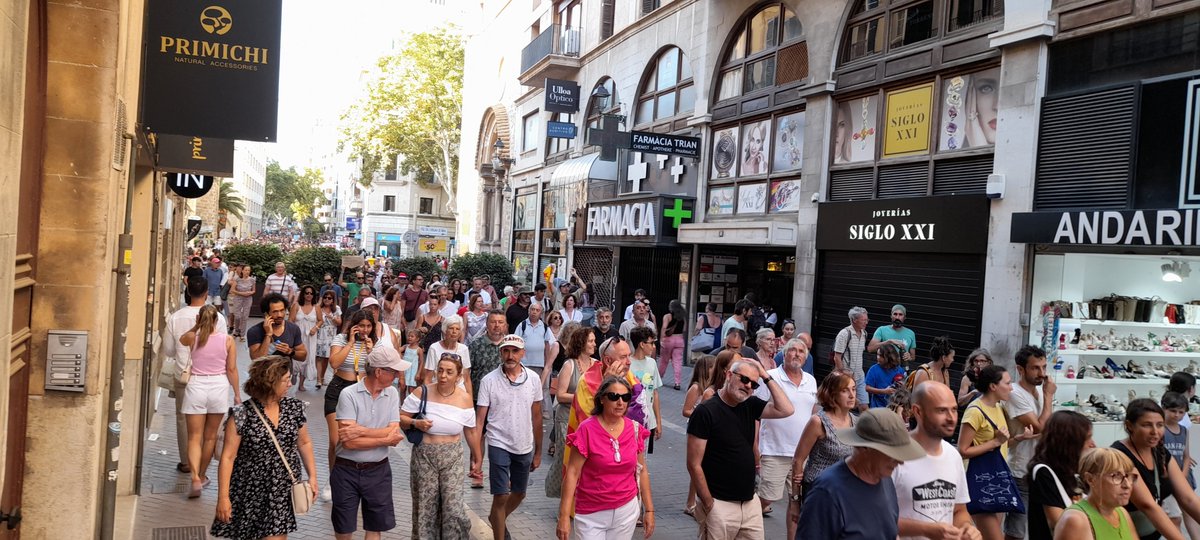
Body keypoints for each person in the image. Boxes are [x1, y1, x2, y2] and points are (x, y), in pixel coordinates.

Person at [687, 357, 795, 538]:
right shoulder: (706, 411)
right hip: (719, 503)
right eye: (744, 379)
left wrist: (765, 376)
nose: (748, 386)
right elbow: (693, 463)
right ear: (729, 375)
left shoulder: (749, 405)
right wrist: (708, 503)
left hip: (750, 503)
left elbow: (786, 409)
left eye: (754, 384)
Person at [211, 355, 318, 539]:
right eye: (286, 380)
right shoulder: (241, 414)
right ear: (271, 382)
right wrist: (223, 497)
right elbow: (228, 457)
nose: (290, 384)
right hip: (248, 489)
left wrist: (313, 476)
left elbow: (304, 442)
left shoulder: (295, 408)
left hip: (281, 488)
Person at [800, 407, 928, 538]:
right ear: (864, 448)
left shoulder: (885, 479)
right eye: (892, 453)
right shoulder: (827, 493)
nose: (900, 462)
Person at [557, 376, 655, 540]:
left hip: (626, 511)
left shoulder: (634, 429)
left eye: (625, 397)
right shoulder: (587, 429)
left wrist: (650, 510)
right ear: (602, 399)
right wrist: (564, 516)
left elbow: (642, 470)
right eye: (614, 397)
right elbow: (572, 473)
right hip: (590, 514)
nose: (620, 402)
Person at [471, 335, 544, 540]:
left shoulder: (533, 379)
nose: (510, 355)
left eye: (515, 351)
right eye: (506, 351)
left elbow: (537, 416)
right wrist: (476, 456)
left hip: (524, 444)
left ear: (523, 353)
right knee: (501, 495)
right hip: (498, 442)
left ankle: (496, 518)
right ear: (500, 353)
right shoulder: (489, 381)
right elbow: (479, 421)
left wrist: (538, 452)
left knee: (519, 493)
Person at [331, 347, 408, 540]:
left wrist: (362, 431)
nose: (399, 375)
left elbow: (394, 431)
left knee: (375, 527)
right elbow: (349, 443)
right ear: (379, 371)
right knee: (343, 528)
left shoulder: (392, 394)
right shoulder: (348, 394)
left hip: (378, 470)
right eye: (394, 371)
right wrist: (384, 440)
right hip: (346, 470)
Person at [401, 353, 480, 539]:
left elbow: (471, 430)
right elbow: (400, 418)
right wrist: (416, 424)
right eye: (440, 370)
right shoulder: (422, 392)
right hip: (425, 456)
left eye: (449, 372)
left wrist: (477, 457)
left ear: (458, 376)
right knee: (425, 508)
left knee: (453, 508)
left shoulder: (465, 398)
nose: (443, 376)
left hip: (452, 456)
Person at [894, 381, 981, 540]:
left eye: (954, 410)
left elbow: (958, 510)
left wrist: (967, 528)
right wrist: (926, 530)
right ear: (918, 412)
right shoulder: (894, 456)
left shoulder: (952, 455)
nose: (951, 418)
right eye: (941, 410)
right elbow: (877, 519)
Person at [163, 277, 228, 475]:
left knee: (184, 421)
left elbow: (168, 350)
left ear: (188, 291)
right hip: (213, 378)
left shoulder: (175, 318)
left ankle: (186, 463)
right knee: (209, 427)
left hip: (184, 376)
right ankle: (202, 468)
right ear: (207, 292)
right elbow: (223, 348)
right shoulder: (219, 318)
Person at [1113, 398, 1200, 540]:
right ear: (1130, 426)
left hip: (1150, 533)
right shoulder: (1119, 456)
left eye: (1160, 425)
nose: (1155, 431)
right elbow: (1148, 506)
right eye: (1147, 425)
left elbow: (1189, 498)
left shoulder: (1160, 453)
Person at [785, 370, 857, 538]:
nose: (852, 395)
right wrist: (795, 502)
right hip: (818, 490)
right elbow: (798, 460)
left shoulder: (856, 421)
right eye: (845, 390)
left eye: (853, 389)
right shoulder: (818, 422)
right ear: (832, 394)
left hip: (845, 492)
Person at [178, 305, 239, 498]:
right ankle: (203, 475)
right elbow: (231, 369)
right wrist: (237, 394)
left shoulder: (192, 338)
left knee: (194, 437)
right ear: (216, 321)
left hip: (196, 386)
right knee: (210, 437)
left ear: (199, 318)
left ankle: (194, 476)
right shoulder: (228, 340)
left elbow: (182, 339)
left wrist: (197, 327)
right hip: (218, 387)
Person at [753, 337, 817, 521]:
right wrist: (755, 446)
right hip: (775, 451)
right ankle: (744, 525)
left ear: (806, 357)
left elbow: (812, 412)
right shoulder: (770, 377)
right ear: (784, 354)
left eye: (801, 351)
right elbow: (756, 412)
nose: (796, 354)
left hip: (802, 453)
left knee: (797, 503)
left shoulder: (810, 380)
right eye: (792, 350)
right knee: (766, 498)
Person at [321, 309, 375, 500]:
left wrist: (371, 351)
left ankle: (352, 482)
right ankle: (332, 479)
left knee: (352, 441)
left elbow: (376, 373)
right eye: (361, 325)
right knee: (336, 441)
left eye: (369, 326)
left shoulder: (373, 344)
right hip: (338, 389)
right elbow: (334, 363)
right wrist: (351, 342)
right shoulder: (340, 340)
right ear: (354, 325)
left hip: (360, 393)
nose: (365, 330)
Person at [1005, 345, 1057, 540]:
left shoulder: (1041, 391)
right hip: (1022, 471)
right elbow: (1039, 428)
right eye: (1036, 368)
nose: (1042, 373)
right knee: (1016, 531)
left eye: (1044, 367)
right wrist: (1049, 395)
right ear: (1020, 369)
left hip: (1042, 468)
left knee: (1041, 527)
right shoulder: (1015, 393)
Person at [959, 365, 1014, 540]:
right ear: (993, 386)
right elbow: (963, 449)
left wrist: (1019, 438)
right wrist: (995, 441)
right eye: (1008, 383)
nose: (1011, 387)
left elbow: (1000, 445)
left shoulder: (998, 407)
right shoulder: (975, 411)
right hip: (980, 482)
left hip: (996, 479)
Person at [1027, 410, 1095, 540]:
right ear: (1070, 441)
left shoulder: (1073, 468)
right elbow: (1057, 521)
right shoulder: (1043, 471)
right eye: (1087, 438)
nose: (1092, 444)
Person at [1052, 448, 1139, 540]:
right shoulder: (1075, 520)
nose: (1127, 485)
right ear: (1090, 479)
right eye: (1116, 476)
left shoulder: (1122, 513)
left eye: (1128, 476)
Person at [550, 325, 597, 495]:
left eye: (594, 341)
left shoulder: (597, 365)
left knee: (587, 462)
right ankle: (565, 503)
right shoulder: (569, 365)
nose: (594, 344)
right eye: (590, 341)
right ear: (581, 343)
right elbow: (560, 395)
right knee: (568, 461)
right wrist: (583, 398)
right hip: (567, 419)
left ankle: (581, 499)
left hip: (589, 421)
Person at [467, 309, 509, 490]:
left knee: (504, 439)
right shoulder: (476, 346)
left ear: (505, 325)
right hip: (479, 400)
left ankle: (504, 476)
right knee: (478, 437)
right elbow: (467, 374)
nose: (497, 325)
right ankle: (476, 472)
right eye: (493, 322)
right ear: (487, 323)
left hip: (504, 402)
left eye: (500, 322)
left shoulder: (510, 346)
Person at [682, 354, 717, 516]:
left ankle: (696, 501)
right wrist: (702, 413)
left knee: (703, 467)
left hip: (709, 430)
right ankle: (690, 503)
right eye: (713, 367)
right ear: (705, 369)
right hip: (698, 430)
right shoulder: (696, 388)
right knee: (697, 467)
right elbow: (686, 410)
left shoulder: (711, 388)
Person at [1162, 391, 1200, 539]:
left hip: (1183, 478)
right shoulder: (1160, 429)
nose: (1176, 415)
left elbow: (1186, 456)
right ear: (1164, 408)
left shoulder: (1184, 430)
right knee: (1174, 516)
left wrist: (1183, 475)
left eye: (1181, 412)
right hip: (1167, 479)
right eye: (1172, 411)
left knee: (1190, 513)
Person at [629, 327, 664, 453]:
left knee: (643, 459)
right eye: (651, 343)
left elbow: (654, 393)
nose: (654, 347)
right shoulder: (628, 364)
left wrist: (658, 422)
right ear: (642, 344)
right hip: (631, 421)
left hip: (648, 421)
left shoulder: (652, 363)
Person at [247, 293, 306, 365]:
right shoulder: (255, 331)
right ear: (266, 314)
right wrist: (268, 335)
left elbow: (303, 356)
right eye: (275, 312)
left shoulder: (293, 328)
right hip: (263, 375)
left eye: (282, 310)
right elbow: (257, 359)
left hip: (286, 375)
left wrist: (290, 352)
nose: (280, 315)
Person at [422, 314, 472, 395]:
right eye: (451, 328)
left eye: (457, 329)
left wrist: (469, 401)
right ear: (445, 330)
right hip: (438, 390)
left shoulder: (464, 349)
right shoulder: (434, 348)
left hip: (459, 392)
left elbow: (466, 378)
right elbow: (428, 377)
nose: (454, 332)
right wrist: (426, 398)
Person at [833, 306, 871, 412]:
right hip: (846, 377)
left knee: (864, 407)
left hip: (859, 376)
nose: (866, 322)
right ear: (854, 320)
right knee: (844, 406)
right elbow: (837, 357)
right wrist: (843, 376)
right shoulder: (844, 334)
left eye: (867, 319)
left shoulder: (864, 333)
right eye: (864, 320)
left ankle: (865, 428)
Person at [515, 302, 557, 389]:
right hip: (524, 364)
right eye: (532, 309)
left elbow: (547, 345)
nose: (534, 312)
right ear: (528, 311)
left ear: (541, 313)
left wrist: (547, 363)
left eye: (537, 310)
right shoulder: (522, 325)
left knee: (538, 389)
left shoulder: (544, 327)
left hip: (539, 365)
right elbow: (516, 344)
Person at [289, 285, 320, 392]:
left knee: (308, 358)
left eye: (311, 293)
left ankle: (301, 383)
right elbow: (290, 321)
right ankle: (294, 374)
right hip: (298, 336)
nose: (309, 295)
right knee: (295, 357)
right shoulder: (296, 306)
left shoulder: (316, 307)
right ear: (303, 294)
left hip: (311, 337)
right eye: (307, 293)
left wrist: (315, 328)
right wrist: (292, 334)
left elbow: (321, 320)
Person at [314, 290, 343, 391]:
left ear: (333, 300)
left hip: (330, 336)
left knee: (326, 358)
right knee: (318, 357)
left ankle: (322, 377)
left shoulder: (336, 309)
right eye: (325, 297)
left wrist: (332, 318)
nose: (327, 299)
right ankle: (318, 379)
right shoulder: (318, 308)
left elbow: (339, 323)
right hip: (320, 334)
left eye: (329, 298)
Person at [865, 343, 906, 409]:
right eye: (877, 354)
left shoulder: (899, 370)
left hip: (893, 408)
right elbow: (867, 388)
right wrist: (884, 391)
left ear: (889, 357)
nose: (877, 357)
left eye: (880, 355)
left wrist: (902, 386)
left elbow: (905, 388)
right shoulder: (874, 369)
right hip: (877, 408)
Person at [659, 299, 687, 390]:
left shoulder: (667, 316)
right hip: (679, 339)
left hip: (668, 340)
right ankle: (677, 383)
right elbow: (684, 329)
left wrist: (661, 339)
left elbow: (664, 327)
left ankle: (659, 379)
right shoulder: (683, 317)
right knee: (678, 362)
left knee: (664, 360)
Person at [226, 264, 256, 341]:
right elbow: (232, 290)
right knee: (237, 316)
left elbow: (254, 290)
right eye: (245, 270)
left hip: (248, 299)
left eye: (248, 270)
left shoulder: (252, 280)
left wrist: (250, 293)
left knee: (245, 317)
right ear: (242, 271)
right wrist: (241, 293)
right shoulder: (237, 279)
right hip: (238, 298)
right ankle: (236, 331)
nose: (247, 272)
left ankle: (242, 334)